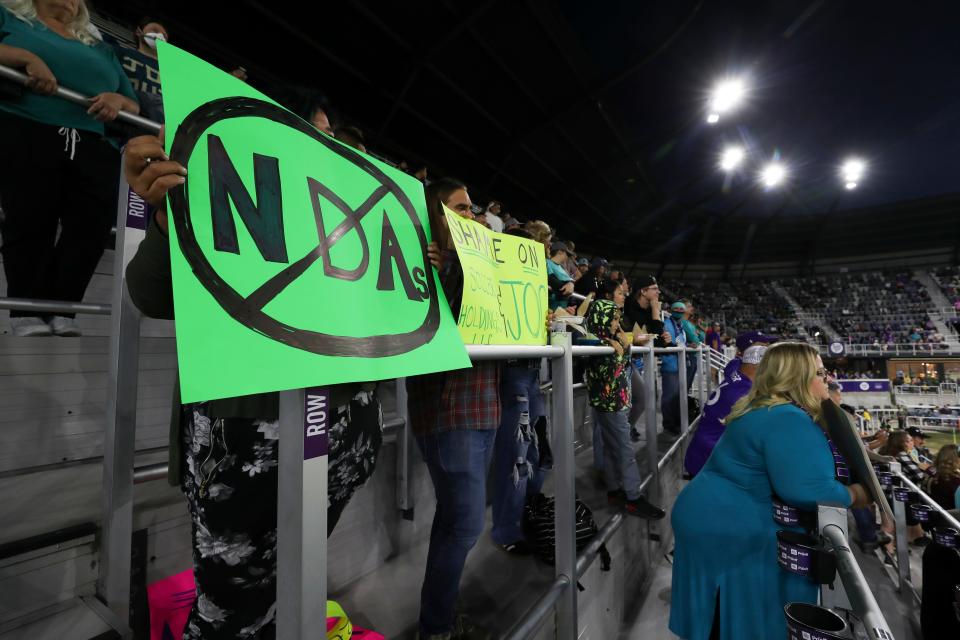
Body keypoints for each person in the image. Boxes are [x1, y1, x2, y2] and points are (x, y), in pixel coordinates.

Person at [122, 132, 387, 638]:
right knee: (228, 610)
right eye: (317, 133)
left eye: (332, 137)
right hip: (245, 432)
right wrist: (163, 218)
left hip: (343, 434)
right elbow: (152, 295)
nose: (326, 147)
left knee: (287, 586)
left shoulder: (348, 228)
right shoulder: (220, 198)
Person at [670, 342, 871, 640]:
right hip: (729, 526)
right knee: (735, 617)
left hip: (712, 517)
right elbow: (808, 489)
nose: (826, 378)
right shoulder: (787, 418)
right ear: (797, 377)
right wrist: (856, 495)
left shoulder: (764, 407)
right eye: (819, 372)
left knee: (717, 613)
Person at [0, 0, 140, 337]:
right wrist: (27, 59)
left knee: (91, 226)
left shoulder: (98, 47)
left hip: (93, 140)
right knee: (30, 216)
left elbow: (132, 101)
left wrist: (117, 101)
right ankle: (25, 310)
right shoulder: (9, 19)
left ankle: (64, 307)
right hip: (29, 124)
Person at [408, 177, 501, 639]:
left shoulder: (482, 269)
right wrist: (440, 272)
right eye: (462, 209)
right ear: (439, 216)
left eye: (473, 207)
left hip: (484, 408)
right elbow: (421, 330)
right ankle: (436, 629)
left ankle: (438, 621)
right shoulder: (423, 267)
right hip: (449, 411)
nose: (474, 215)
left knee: (456, 520)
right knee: (464, 524)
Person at [585, 279, 665, 520]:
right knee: (624, 450)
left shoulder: (616, 340)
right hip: (610, 405)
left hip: (617, 403)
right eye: (613, 320)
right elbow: (589, 344)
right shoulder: (596, 344)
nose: (617, 324)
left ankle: (614, 490)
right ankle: (632, 496)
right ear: (601, 320)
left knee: (613, 448)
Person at [683, 343, 766, 477]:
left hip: (700, 450)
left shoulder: (736, 372)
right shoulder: (744, 394)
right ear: (758, 367)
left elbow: (734, 362)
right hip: (711, 461)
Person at [621, 275, 665, 441]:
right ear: (643, 291)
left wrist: (655, 313)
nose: (658, 292)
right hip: (624, 359)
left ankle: (626, 431)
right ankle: (624, 432)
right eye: (654, 288)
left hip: (637, 360)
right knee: (638, 398)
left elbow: (658, 338)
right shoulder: (628, 307)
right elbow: (627, 335)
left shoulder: (648, 309)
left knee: (641, 397)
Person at [111, 16, 166, 121]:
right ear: (138, 32)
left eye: (164, 36)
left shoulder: (173, 73)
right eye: (154, 30)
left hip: (157, 127)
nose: (160, 36)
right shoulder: (120, 53)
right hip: (121, 116)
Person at [660, 301, 689, 434]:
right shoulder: (666, 324)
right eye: (676, 309)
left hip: (679, 365)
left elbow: (682, 342)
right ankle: (668, 424)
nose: (679, 311)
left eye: (681, 310)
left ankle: (676, 422)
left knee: (677, 396)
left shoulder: (680, 325)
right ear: (671, 310)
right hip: (670, 365)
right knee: (669, 397)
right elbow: (668, 342)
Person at [928, 445, 960, 512]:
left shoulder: (934, 473)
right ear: (954, 459)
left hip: (936, 514)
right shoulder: (955, 481)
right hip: (949, 518)